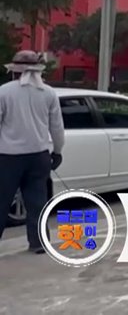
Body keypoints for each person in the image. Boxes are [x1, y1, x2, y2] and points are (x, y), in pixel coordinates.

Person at [0, 51, 64, 254]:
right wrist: (58, 151)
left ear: (14, 71)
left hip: (8, 156)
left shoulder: (4, 92)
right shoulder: (48, 92)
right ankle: (38, 243)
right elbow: (57, 127)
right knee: (37, 201)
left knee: (2, 200)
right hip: (39, 155)